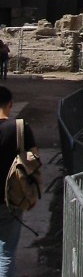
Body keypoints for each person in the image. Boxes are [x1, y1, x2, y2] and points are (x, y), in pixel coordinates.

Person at [0, 86, 37, 277]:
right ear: (10, 105)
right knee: (6, 251)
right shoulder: (20, 128)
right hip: (11, 197)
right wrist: (32, 194)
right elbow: (34, 161)